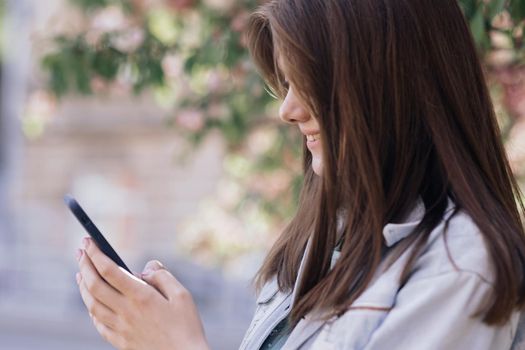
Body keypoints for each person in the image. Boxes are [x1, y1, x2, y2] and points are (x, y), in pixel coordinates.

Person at [74, 0, 525, 349]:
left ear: (382, 84)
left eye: (307, 82)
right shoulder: (330, 241)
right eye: (285, 84)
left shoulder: (462, 265)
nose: (287, 110)